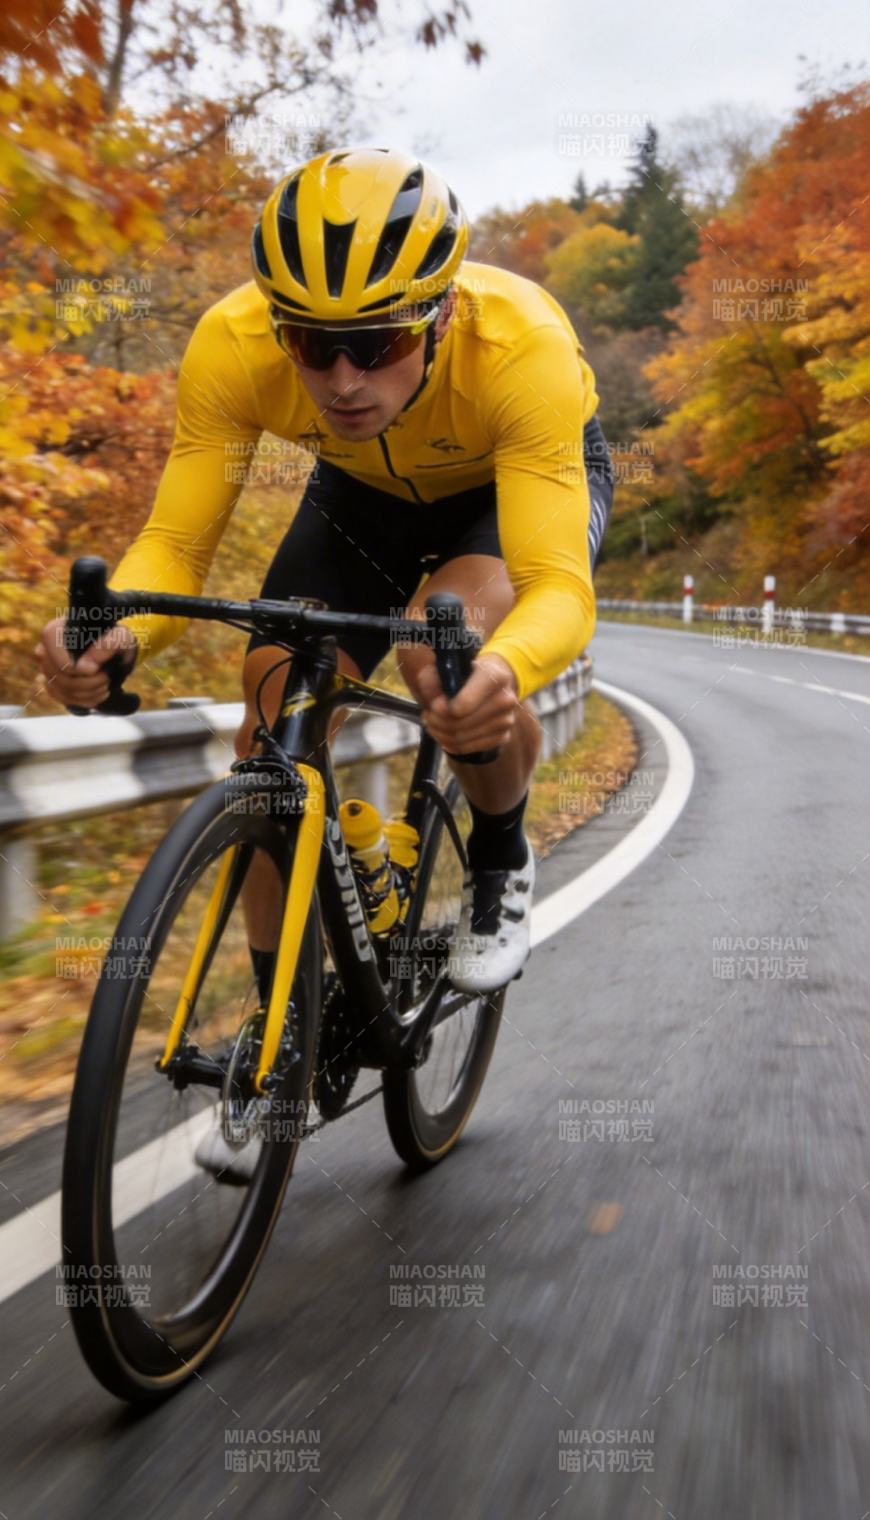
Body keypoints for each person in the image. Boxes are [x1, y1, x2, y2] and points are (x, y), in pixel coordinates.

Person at [36, 146, 613, 993]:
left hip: (505, 493)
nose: (343, 381)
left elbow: (559, 586)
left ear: (440, 316)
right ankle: (287, 1020)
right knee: (270, 713)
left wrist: (504, 668)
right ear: (278, 328)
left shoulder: (522, 345)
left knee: (437, 655)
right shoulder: (232, 347)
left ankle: (498, 858)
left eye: (378, 343)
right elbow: (178, 546)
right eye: (311, 344)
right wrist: (119, 632)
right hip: (362, 493)